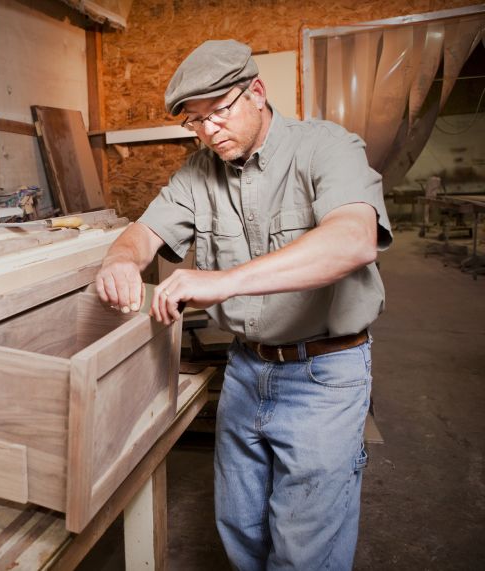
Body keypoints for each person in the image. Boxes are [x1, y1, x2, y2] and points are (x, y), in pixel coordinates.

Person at [95, 40, 392, 570]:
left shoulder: (325, 147)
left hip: (324, 372)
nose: (209, 130)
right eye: (195, 121)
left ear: (256, 92)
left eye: (219, 112)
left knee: (305, 549)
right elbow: (143, 232)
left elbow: (353, 241)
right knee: (241, 527)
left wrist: (225, 282)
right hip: (246, 368)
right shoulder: (197, 172)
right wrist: (120, 260)